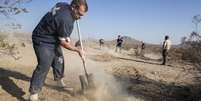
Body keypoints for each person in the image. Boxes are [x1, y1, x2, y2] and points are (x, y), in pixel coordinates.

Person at [29, 0, 88, 100]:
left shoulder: (64, 5)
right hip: (42, 39)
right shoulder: (65, 19)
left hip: (53, 37)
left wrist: (65, 36)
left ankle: (59, 82)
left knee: (59, 60)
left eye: (82, 15)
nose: (80, 18)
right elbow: (63, 42)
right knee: (45, 64)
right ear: (73, 7)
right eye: (79, 14)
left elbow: (60, 27)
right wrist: (78, 50)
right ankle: (33, 94)